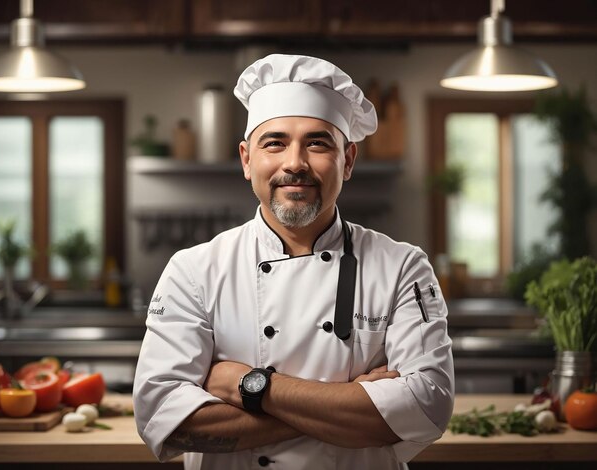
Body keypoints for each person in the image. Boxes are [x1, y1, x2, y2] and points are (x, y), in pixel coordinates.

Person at [133, 54, 454, 470]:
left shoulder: (402, 267)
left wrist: (252, 387)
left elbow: (428, 407)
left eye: (317, 142)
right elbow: (164, 421)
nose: (295, 163)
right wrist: (348, 404)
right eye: (275, 142)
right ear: (247, 160)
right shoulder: (193, 271)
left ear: (349, 160)